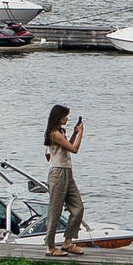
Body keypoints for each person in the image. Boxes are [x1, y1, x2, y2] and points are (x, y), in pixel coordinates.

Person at [42, 104, 85, 255]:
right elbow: (74, 149)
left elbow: (67, 146)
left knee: (78, 207)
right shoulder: (54, 133)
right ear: (58, 117)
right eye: (65, 115)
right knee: (55, 210)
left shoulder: (61, 132)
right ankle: (50, 246)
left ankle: (68, 242)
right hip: (58, 173)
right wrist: (80, 134)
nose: (67, 118)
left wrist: (73, 134)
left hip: (67, 172)